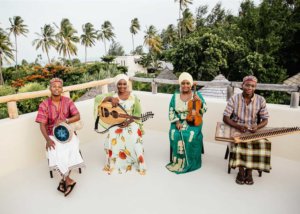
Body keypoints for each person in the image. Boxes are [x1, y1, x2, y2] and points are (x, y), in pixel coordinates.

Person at [35, 78, 84, 196]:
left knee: (72, 147)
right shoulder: (44, 104)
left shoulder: (68, 101)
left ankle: (64, 180)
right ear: (50, 88)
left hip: (68, 132)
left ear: (62, 89)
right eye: (54, 86)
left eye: (59, 87)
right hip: (51, 134)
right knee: (54, 150)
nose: (56, 88)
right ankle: (68, 180)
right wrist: (47, 140)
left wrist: (66, 120)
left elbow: (77, 116)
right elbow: (42, 125)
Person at [94, 74, 146, 175]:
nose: (122, 86)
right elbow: (97, 99)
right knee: (113, 136)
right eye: (119, 84)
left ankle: (136, 162)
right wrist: (109, 98)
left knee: (134, 137)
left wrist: (128, 121)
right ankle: (115, 163)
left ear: (127, 84)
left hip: (131, 122)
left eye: (124, 84)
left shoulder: (133, 97)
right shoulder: (113, 96)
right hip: (116, 123)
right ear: (116, 85)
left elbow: (137, 114)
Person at [223, 75, 271, 185]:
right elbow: (225, 118)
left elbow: (265, 120)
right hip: (236, 127)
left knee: (261, 143)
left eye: (253, 86)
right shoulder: (234, 98)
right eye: (247, 85)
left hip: (252, 129)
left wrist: (257, 127)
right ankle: (241, 171)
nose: (250, 88)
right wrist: (238, 126)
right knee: (239, 142)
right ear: (242, 85)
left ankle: (249, 172)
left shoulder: (260, 100)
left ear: (255, 87)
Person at [166, 72, 207, 174]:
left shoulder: (197, 95)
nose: (185, 85)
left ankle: (191, 160)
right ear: (180, 84)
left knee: (190, 135)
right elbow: (171, 110)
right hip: (178, 121)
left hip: (194, 121)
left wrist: (200, 103)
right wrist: (177, 122)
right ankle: (177, 160)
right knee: (174, 134)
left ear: (191, 84)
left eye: (188, 83)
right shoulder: (175, 96)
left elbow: (204, 109)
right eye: (183, 83)